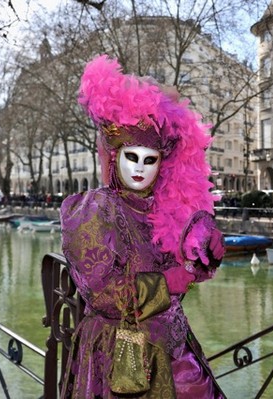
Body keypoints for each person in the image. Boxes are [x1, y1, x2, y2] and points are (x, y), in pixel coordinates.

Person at [59, 55, 226, 399]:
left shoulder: (160, 210)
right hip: (119, 356)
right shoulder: (95, 209)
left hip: (175, 351)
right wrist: (168, 282)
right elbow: (102, 293)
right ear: (114, 156)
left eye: (150, 161)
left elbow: (185, 267)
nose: (140, 169)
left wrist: (202, 255)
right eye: (131, 157)